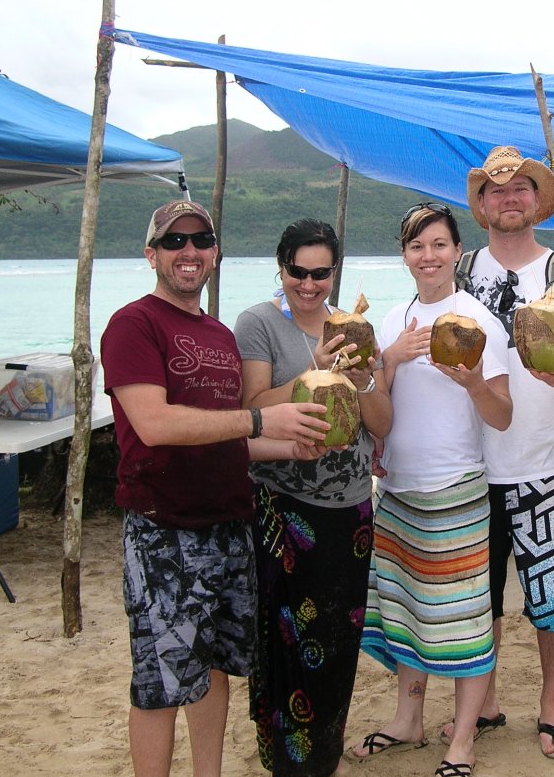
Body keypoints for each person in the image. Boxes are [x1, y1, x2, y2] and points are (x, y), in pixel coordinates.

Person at [100, 200, 332, 777]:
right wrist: (260, 421)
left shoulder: (219, 335)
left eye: (201, 240)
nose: (189, 253)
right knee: (159, 679)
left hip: (230, 524)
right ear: (152, 254)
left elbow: (225, 435)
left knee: (216, 668)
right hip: (163, 526)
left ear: (215, 254)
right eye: (174, 242)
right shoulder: (133, 323)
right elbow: (154, 424)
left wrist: (289, 443)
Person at [352, 203, 512, 777]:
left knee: (467, 618)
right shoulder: (391, 321)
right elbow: (377, 410)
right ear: (404, 255)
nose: (429, 257)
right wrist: (386, 362)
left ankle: (463, 740)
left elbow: (502, 417)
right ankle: (409, 719)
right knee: (405, 612)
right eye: (418, 247)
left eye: (439, 245)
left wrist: (472, 382)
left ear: (456, 252)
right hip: (396, 490)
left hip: (457, 486)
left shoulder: (479, 321)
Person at [456, 146, 554, 759]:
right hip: (465, 464)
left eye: (521, 188)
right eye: (495, 189)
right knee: (475, 598)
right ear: (481, 204)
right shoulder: (459, 269)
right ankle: (482, 703)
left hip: (547, 460)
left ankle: (551, 707)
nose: (508, 197)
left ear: (537, 200)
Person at [234, 219, 393, 777]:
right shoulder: (258, 323)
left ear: (334, 273)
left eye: (320, 273)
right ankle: (287, 758)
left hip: (350, 507)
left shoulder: (352, 327)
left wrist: (369, 376)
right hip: (283, 504)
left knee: (337, 635)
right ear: (282, 268)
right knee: (284, 635)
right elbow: (252, 405)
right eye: (298, 272)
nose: (309, 284)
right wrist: (314, 370)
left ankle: (323, 753)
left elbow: (381, 425)